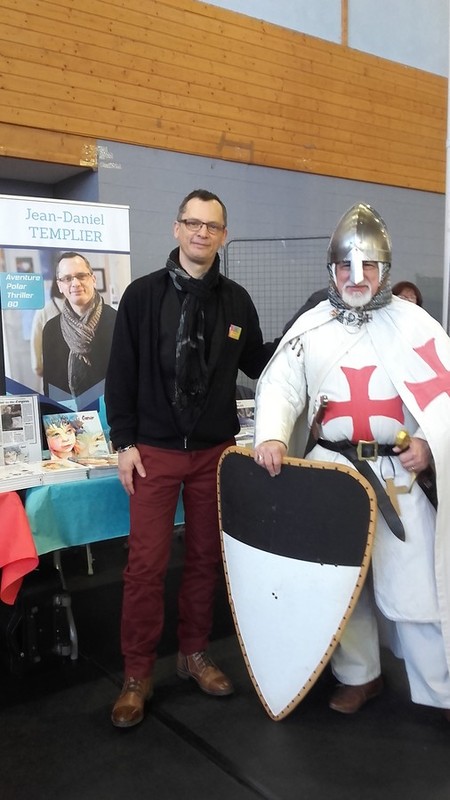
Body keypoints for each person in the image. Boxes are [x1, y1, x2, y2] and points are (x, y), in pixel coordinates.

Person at [253, 202, 450, 720]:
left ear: (385, 270)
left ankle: (439, 689)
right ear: (331, 270)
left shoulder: (415, 326)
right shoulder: (312, 327)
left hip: (397, 476)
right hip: (331, 473)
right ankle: (360, 676)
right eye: (346, 266)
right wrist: (273, 435)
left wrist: (428, 442)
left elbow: (444, 396)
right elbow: (280, 384)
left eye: (367, 267)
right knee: (342, 581)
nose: (356, 277)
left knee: (419, 583)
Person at [105, 188, 275, 728]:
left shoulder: (237, 303)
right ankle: (136, 675)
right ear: (176, 229)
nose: (202, 232)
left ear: (223, 235)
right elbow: (122, 373)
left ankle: (193, 654)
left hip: (213, 455)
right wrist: (124, 444)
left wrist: (312, 326)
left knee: (205, 560)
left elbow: (259, 363)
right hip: (153, 453)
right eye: (192, 223)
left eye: (212, 226)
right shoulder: (141, 296)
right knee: (145, 568)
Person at [42, 252, 117, 405]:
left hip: (111, 420)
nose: (75, 283)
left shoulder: (118, 321)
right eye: (67, 278)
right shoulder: (51, 329)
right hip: (67, 423)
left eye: (81, 276)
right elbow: (50, 388)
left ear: (93, 279)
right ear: (60, 286)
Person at [30, 275, 65, 379]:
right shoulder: (82, 308)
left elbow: (35, 340)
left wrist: (37, 366)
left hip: (53, 370)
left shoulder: (43, 310)